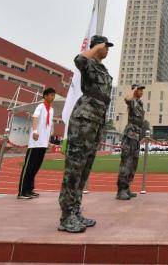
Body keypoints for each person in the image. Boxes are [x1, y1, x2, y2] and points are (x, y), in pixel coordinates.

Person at [58, 35, 114, 233]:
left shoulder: (102, 69)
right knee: (74, 168)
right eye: (106, 46)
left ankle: (75, 210)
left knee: (84, 169)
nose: (108, 50)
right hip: (84, 119)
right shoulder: (88, 62)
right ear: (98, 46)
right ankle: (66, 216)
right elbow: (78, 59)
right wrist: (96, 47)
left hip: (96, 122)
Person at [18, 88, 56, 199]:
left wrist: (48, 141)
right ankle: (22, 191)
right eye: (51, 95)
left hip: (43, 143)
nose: (52, 97)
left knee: (35, 167)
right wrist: (35, 131)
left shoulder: (51, 110)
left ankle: (29, 189)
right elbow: (35, 118)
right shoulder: (40, 106)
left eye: (54, 95)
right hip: (35, 142)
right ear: (45, 96)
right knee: (29, 167)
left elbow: (48, 126)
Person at [116, 83, 148, 200]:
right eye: (140, 90)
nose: (142, 92)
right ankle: (121, 190)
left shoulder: (139, 103)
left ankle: (127, 187)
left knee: (133, 163)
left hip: (137, 136)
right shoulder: (132, 100)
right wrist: (133, 89)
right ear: (135, 90)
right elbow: (127, 98)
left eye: (141, 90)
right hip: (130, 135)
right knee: (126, 163)